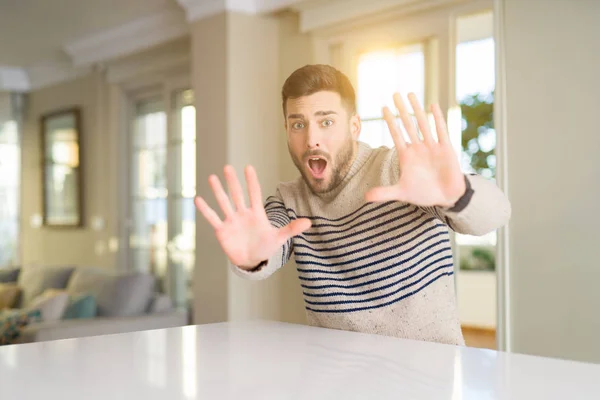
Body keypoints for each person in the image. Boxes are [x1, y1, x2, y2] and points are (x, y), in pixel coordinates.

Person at [194, 64, 511, 345]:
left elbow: (496, 214)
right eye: (298, 124)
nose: (312, 139)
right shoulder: (289, 200)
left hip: (424, 379)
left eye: (327, 122)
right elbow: (268, 242)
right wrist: (253, 259)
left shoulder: (400, 171)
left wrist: (457, 194)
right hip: (337, 381)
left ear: (354, 127)